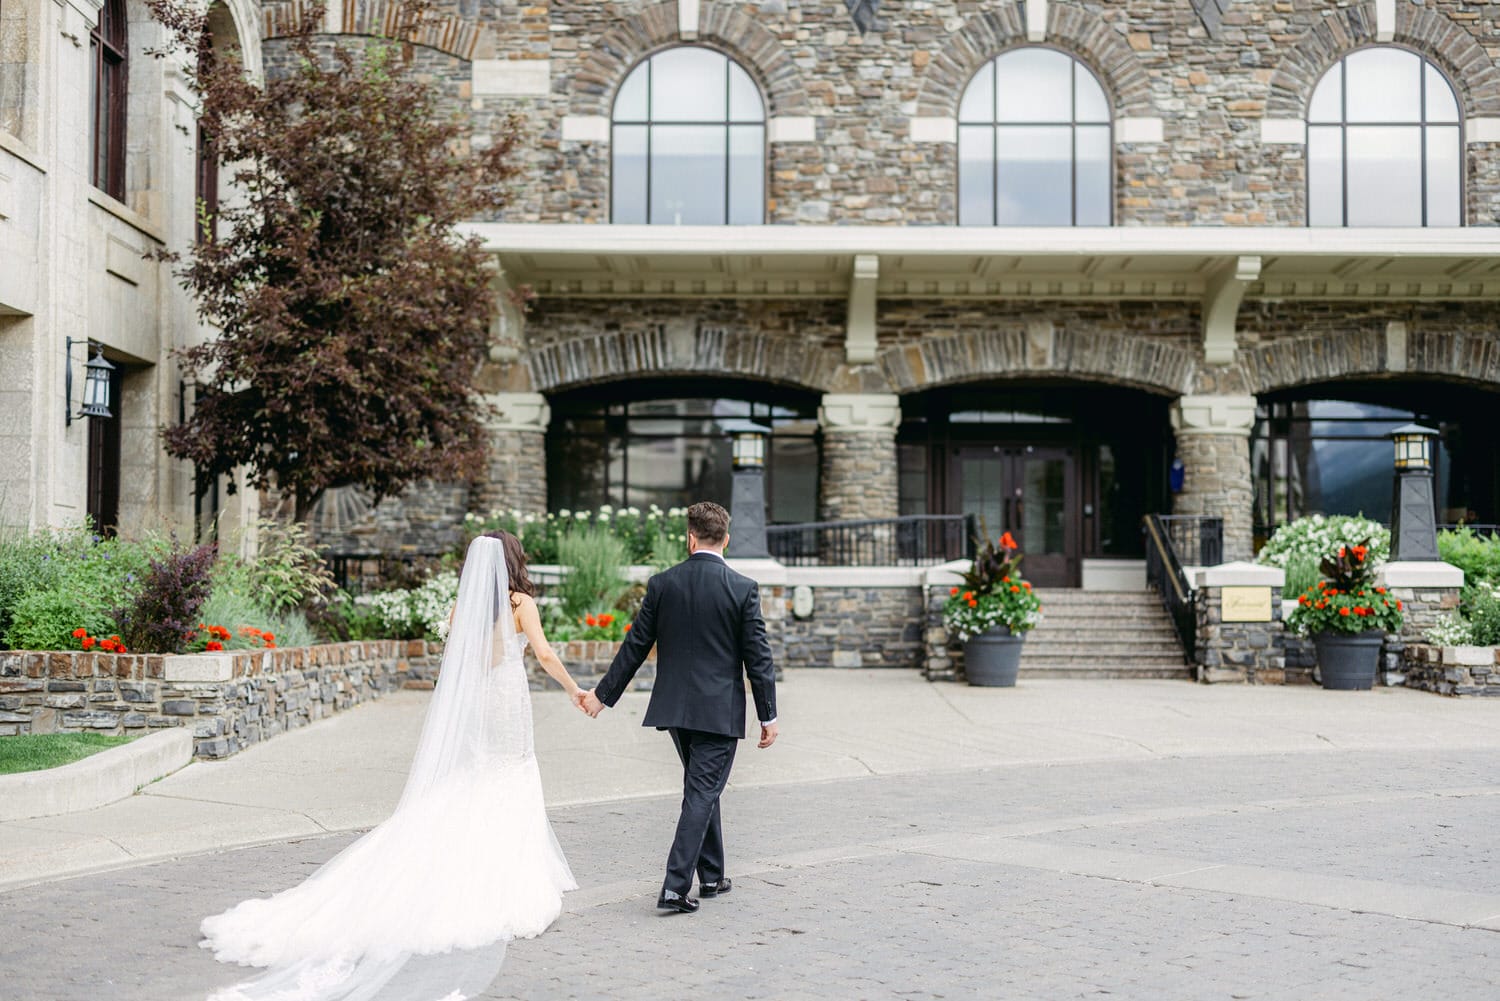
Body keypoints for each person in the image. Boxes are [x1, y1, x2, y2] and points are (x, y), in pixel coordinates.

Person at [200, 531, 586, 1000]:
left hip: (477, 705)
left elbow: (462, 660)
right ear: (513, 560)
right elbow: (543, 654)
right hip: (505, 702)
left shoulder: (465, 607)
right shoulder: (519, 602)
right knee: (510, 773)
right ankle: (501, 876)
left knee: (478, 775)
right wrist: (574, 690)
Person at [580, 500, 778, 914]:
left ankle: (712, 875)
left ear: (689, 538)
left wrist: (602, 696)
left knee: (703, 789)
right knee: (703, 791)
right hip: (718, 712)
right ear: (725, 539)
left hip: (675, 712)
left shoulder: (662, 584)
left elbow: (636, 646)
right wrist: (768, 715)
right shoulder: (742, 589)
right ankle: (674, 886)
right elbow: (758, 657)